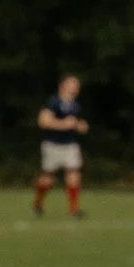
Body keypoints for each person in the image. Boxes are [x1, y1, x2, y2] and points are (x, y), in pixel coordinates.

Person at [34, 75, 88, 220]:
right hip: (52, 145)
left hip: (70, 144)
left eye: (77, 84)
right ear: (62, 86)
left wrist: (79, 126)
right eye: (72, 84)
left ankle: (73, 209)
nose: (76, 87)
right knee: (47, 179)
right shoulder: (54, 102)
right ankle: (38, 203)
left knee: (74, 174)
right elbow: (43, 122)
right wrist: (64, 125)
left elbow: (73, 123)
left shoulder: (75, 104)